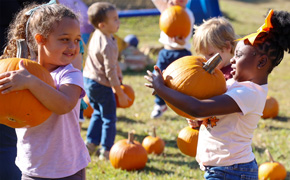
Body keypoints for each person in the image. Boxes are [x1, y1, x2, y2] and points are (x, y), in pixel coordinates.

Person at [145, 9, 290, 179]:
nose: (233, 60)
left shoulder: (248, 93)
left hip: (232, 171)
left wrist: (163, 90)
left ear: (261, 61)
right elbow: (206, 110)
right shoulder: (232, 84)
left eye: (238, 55)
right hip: (224, 167)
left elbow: (198, 108)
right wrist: (171, 88)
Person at [0, 1, 90, 179]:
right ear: (40, 39)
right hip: (31, 168)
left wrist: (31, 83)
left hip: (67, 169)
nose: (73, 46)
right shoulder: (20, 72)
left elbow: (64, 104)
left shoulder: (70, 74)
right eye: (65, 39)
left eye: (77, 40)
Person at [83, 2, 130, 160]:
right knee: (109, 117)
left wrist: (117, 68)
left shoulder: (97, 34)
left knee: (97, 112)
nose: (119, 22)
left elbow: (109, 63)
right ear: (102, 24)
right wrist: (120, 93)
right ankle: (107, 149)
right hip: (101, 84)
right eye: (115, 19)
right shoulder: (108, 44)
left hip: (89, 80)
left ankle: (90, 143)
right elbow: (109, 72)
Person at [189, 16, 238, 127]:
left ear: (227, 46)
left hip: (227, 136)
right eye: (203, 55)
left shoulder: (234, 75)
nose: (206, 60)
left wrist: (201, 118)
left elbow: (220, 107)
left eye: (210, 54)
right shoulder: (209, 72)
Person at [150, 0, 195, 118]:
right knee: (158, 77)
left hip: (182, 52)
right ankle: (159, 105)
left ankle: (185, 106)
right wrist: (168, 4)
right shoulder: (166, 9)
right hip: (166, 52)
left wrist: (181, 41)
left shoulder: (188, 14)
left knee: (185, 82)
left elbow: (187, 34)